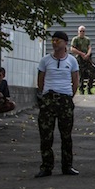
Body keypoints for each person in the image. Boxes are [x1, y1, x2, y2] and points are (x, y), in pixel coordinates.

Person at [35, 31, 80, 178]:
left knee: (66, 135)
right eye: (53, 40)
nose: (54, 43)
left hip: (65, 99)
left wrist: (68, 96)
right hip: (49, 99)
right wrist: (46, 95)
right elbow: (40, 81)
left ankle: (67, 166)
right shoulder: (45, 60)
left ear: (65, 43)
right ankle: (46, 166)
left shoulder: (72, 61)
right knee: (46, 135)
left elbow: (75, 81)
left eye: (58, 40)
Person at [70, 25, 95, 95]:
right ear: (78, 32)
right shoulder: (75, 39)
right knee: (81, 75)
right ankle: (81, 90)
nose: (82, 32)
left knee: (91, 73)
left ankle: (89, 88)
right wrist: (81, 54)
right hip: (79, 59)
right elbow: (72, 49)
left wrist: (87, 55)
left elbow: (89, 47)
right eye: (81, 31)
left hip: (87, 59)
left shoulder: (87, 39)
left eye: (83, 31)